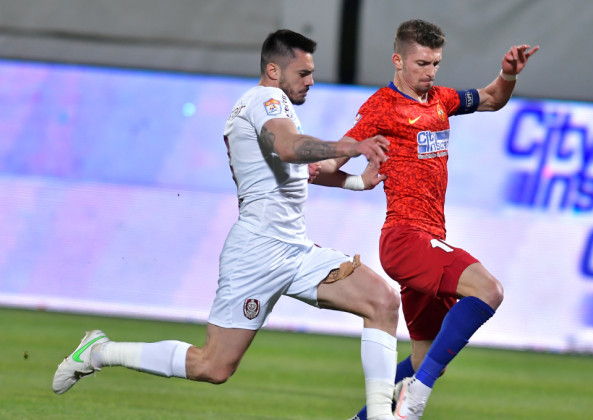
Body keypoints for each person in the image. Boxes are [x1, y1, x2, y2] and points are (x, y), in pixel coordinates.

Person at [52, 29, 401, 420]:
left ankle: (379, 416)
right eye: (303, 73)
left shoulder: (268, 106)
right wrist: (351, 146)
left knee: (382, 301)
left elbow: (301, 168)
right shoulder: (265, 100)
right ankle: (99, 352)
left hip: (295, 250)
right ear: (274, 70)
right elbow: (290, 148)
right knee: (212, 366)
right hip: (256, 252)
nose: (311, 81)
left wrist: (357, 181)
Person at [342, 20, 539, 419]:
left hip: (429, 237)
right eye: (421, 63)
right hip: (405, 237)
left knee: (428, 358)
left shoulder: (441, 99)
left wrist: (508, 75)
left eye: (436, 63)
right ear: (398, 60)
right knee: (489, 290)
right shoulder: (382, 106)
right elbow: (343, 149)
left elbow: (490, 99)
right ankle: (415, 400)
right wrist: (324, 166)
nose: (430, 72)